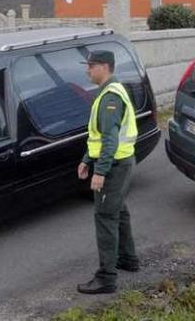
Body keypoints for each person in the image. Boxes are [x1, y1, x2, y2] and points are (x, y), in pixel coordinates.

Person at [76, 50, 139, 295]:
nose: (87, 70)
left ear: (104, 67)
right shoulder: (111, 91)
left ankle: (107, 278)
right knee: (119, 211)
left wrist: (99, 171)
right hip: (121, 163)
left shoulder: (110, 97)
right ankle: (127, 259)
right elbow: (99, 136)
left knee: (105, 217)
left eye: (91, 66)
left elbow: (110, 139)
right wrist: (85, 159)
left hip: (114, 166)